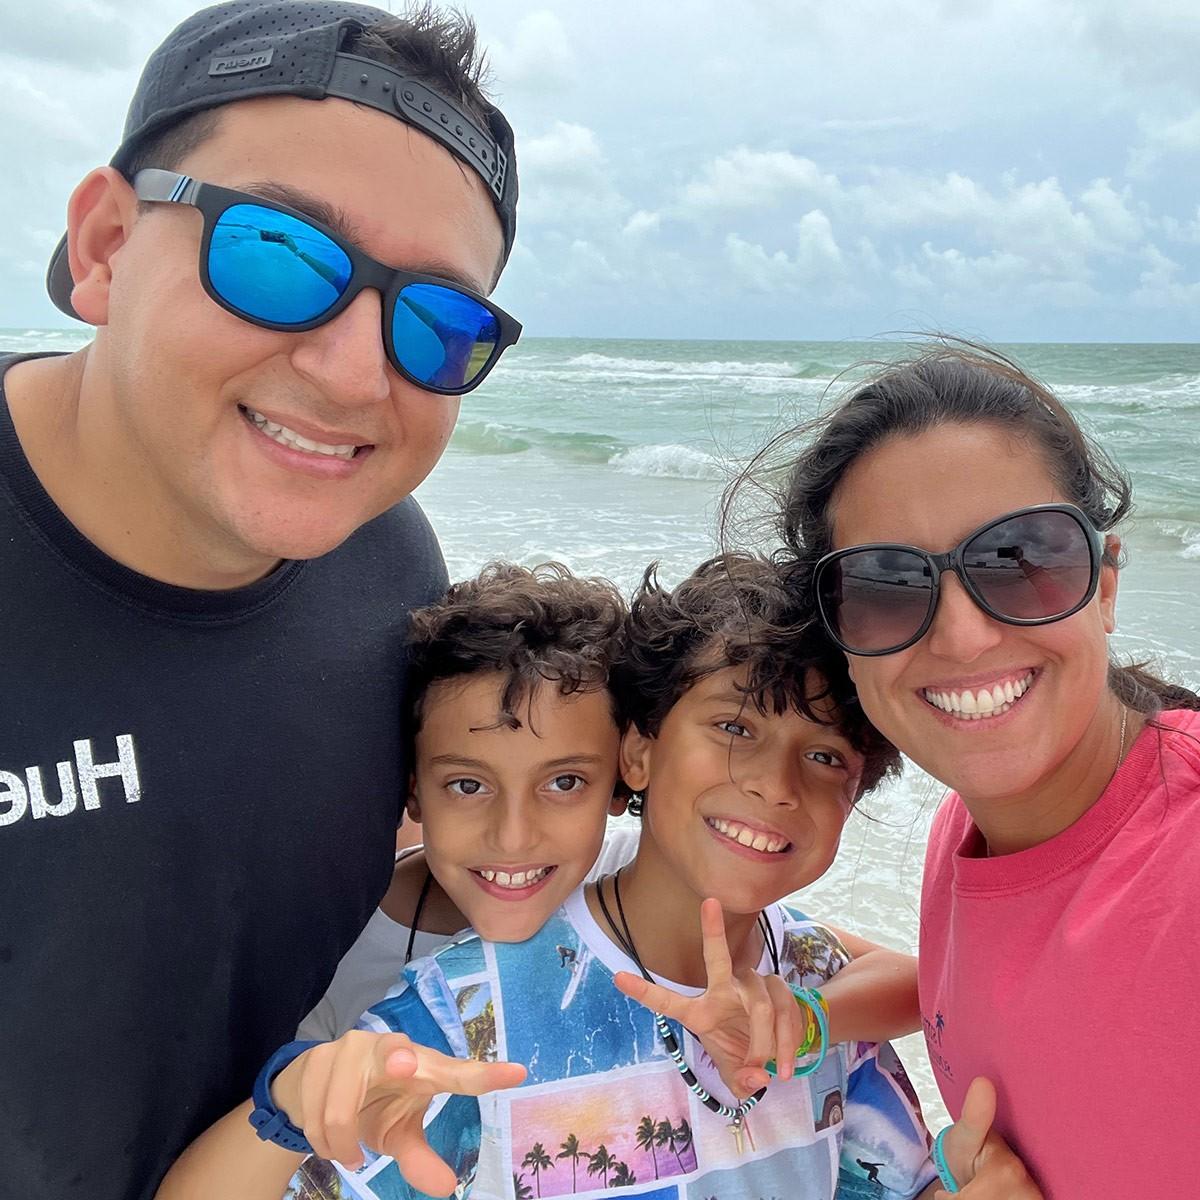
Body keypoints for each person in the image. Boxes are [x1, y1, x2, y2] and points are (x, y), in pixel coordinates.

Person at [0, 4, 522, 1197]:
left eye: (438, 324)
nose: (353, 372)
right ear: (106, 245)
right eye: (278, 257)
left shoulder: (392, 570)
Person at [155, 554, 1039, 1199]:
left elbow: (887, 1165)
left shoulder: (811, 985)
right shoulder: (466, 1016)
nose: (776, 784)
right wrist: (290, 1101)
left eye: (824, 755)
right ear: (640, 752)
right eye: (735, 728)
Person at [768, 343, 1200, 1198]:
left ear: (1105, 585)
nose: (962, 636)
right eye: (888, 585)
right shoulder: (961, 838)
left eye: (1021, 559)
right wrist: (805, 1018)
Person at [296, 562, 644, 1042]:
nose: (513, 836)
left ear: (621, 784)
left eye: (564, 782)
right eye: (468, 785)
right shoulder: (337, 954)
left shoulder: (644, 884)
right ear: (413, 791)